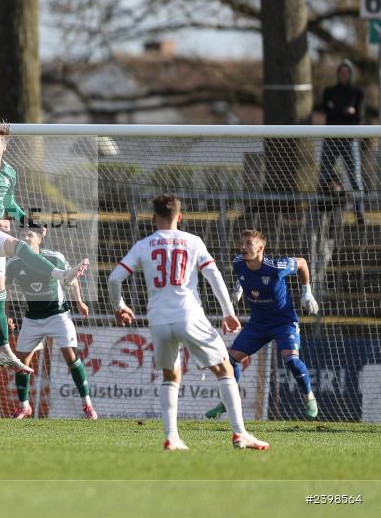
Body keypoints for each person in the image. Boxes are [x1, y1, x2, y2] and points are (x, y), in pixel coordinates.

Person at [107, 194, 269, 451]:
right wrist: (228, 312)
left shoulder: (143, 245)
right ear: (180, 217)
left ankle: (172, 437)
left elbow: (115, 279)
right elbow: (213, 276)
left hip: (158, 319)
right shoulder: (193, 242)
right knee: (225, 370)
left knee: (170, 376)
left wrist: (120, 306)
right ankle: (240, 434)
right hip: (188, 315)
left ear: (153, 218)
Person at [0, 122, 88, 373]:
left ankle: (4, 352)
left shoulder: (10, 173)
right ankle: (62, 275)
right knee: (20, 246)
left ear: (4, 146)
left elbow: (10, 204)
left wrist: (31, 223)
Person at [205, 229, 320, 421]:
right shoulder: (238, 263)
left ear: (261, 248)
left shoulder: (276, 266)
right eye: (241, 243)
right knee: (231, 361)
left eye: (248, 243)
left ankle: (309, 397)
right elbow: (245, 275)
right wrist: (238, 288)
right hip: (258, 323)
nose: (243, 247)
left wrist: (307, 291)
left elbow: (302, 263)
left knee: (291, 360)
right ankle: (227, 402)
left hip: (284, 322)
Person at [6, 226, 97, 420]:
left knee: (70, 356)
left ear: (39, 238)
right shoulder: (13, 263)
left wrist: (79, 302)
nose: (25, 238)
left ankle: (87, 404)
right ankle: (24, 406)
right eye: (22, 235)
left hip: (58, 315)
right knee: (20, 363)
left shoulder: (55, 258)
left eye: (29, 235)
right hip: (32, 318)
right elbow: (4, 290)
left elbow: (71, 279)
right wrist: (6, 315)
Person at [318, 59, 365, 224]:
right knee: (324, 176)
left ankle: (359, 212)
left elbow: (358, 115)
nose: (344, 75)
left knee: (355, 178)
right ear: (338, 74)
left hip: (349, 140)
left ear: (350, 74)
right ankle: (322, 209)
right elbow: (327, 110)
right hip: (331, 139)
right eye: (341, 72)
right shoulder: (329, 91)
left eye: (347, 72)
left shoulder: (357, 92)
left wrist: (338, 110)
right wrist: (346, 111)